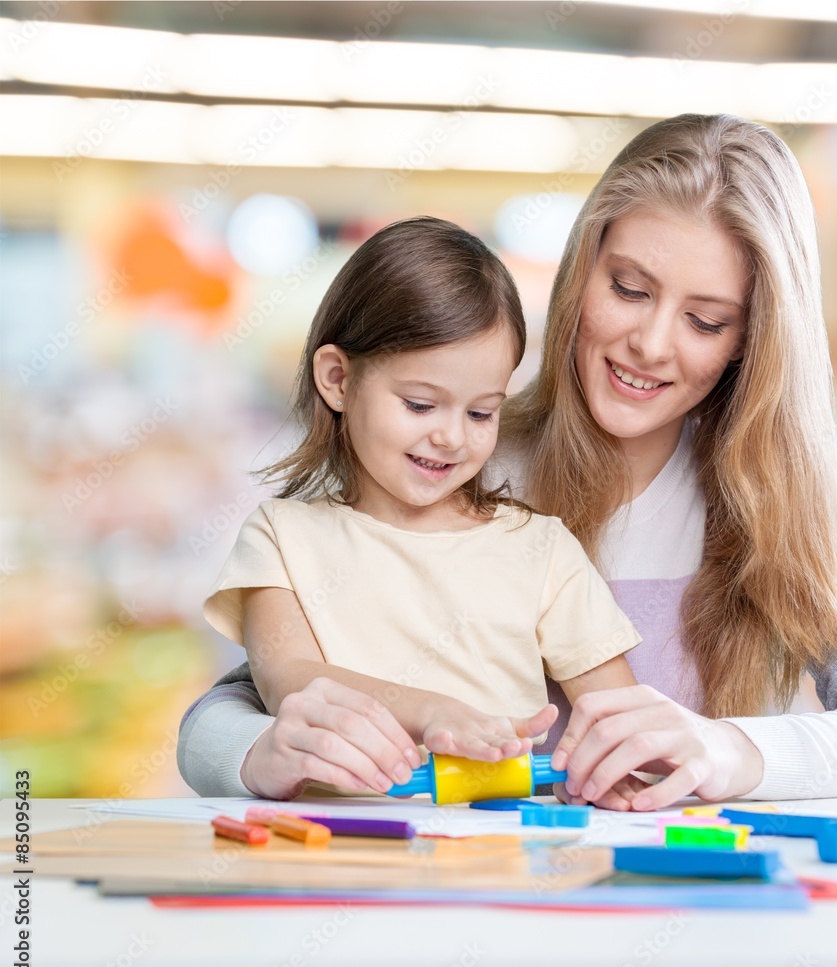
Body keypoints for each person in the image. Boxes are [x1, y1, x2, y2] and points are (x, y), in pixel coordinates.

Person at [178, 114, 837, 809]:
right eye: (628, 289)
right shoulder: (459, 464)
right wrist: (260, 754)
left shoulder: (789, 506)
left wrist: (728, 751)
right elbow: (250, 698)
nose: (651, 343)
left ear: (751, 339)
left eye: (705, 320)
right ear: (580, 275)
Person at [185, 216, 642, 801]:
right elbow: (288, 681)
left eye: (481, 413)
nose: (453, 437)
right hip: (336, 859)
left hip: (499, 863)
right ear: (337, 380)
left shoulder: (541, 549)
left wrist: (616, 774)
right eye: (422, 405)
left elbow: (619, 717)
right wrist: (430, 712)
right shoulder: (282, 536)